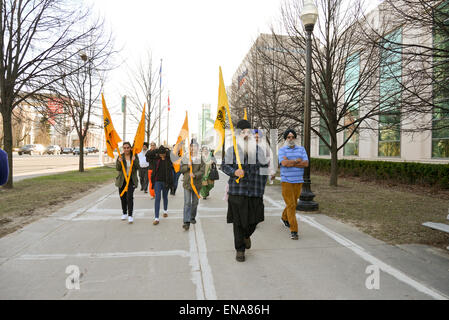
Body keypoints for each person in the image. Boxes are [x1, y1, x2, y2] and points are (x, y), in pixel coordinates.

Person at [221, 119, 268, 262]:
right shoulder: (232, 150)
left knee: (255, 220)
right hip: (238, 191)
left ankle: (247, 235)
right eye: (242, 132)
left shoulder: (260, 150)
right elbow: (224, 166)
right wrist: (234, 172)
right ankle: (239, 249)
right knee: (238, 222)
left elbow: (264, 169)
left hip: (255, 191)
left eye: (248, 131)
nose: (246, 134)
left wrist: (262, 187)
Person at [278, 129, 309, 240]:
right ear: (285, 139)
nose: (291, 139)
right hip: (286, 181)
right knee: (291, 205)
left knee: (293, 203)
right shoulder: (282, 150)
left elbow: (305, 163)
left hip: (298, 181)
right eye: (288, 137)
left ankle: (284, 217)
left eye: (292, 137)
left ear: (295, 138)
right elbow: (284, 163)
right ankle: (294, 231)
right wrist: (296, 161)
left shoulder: (301, 149)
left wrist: (290, 162)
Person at [180, 139, 205, 230]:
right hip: (187, 183)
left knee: (195, 203)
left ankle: (192, 217)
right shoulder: (186, 157)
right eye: (191, 146)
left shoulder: (201, 158)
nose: (193, 148)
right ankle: (186, 222)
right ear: (189, 147)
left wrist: (195, 175)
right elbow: (181, 169)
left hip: (196, 184)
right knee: (187, 203)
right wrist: (187, 166)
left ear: (197, 148)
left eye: (195, 146)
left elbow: (202, 171)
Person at [115, 142, 140, 223]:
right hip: (122, 180)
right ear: (123, 148)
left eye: (128, 147)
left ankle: (130, 215)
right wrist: (119, 161)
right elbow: (118, 169)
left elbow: (137, 167)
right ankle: (124, 213)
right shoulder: (120, 156)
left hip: (131, 180)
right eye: (124, 148)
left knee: (129, 197)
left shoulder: (134, 156)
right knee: (122, 198)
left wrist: (134, 160)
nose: (126, 149)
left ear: (130, 148)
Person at [151, 145, 174, 225]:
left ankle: (165, 210)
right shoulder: (156, 159)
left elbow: (173, 155)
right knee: (157, 198)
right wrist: (156, 150)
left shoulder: (169, 159)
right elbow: (148, 155)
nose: (162, 155)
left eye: (163, 153)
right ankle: (156, 218)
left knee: (165, 197)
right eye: (160, 154)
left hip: (166, 182)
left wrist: (167, 150)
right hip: (157, 181)